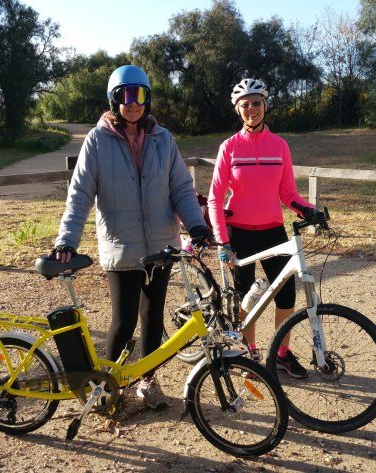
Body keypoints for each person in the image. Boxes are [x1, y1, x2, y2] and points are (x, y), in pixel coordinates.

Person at [53, 65, 212, 409]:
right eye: (125, 95)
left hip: (161, 246)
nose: (133, 103)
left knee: (152, 318)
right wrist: (67, 238)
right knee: (123, 321)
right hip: (121, 246)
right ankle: (108, 387)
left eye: (139, 94)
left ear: (147, 98)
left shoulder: (163, 139)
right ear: (114, 99)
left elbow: (181, 189)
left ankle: (148, 382)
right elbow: (80, 194)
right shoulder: (97, 140)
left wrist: (196, 224)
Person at [207, 78, 319, 379]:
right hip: (239, 232)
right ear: (238, 110)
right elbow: (216, 198)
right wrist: (222, 241)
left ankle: (282, 353)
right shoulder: (229, 148)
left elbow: (288, 194)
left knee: (285, 297)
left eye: (257, 103)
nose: (251, 109)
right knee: (246, 299)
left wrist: (310, 210)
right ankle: (250, 353)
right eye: (245, 105)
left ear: (265, 106)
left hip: (272, 231)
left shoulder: (279, 145)